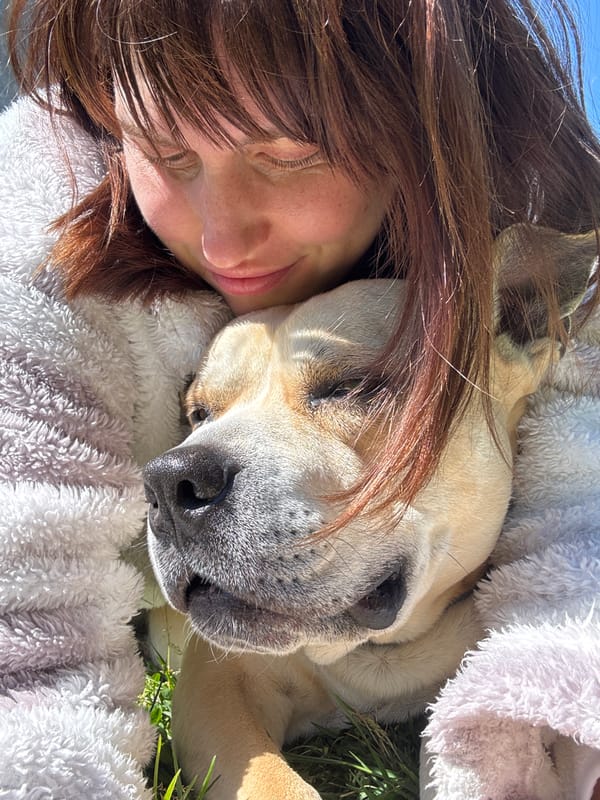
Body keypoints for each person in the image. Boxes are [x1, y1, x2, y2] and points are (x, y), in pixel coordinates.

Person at [0, 1, 598, 798]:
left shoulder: (527, 268)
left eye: (347, 387)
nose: (222, 242)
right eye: (204, 413)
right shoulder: (34, 261)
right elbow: (37, 654)